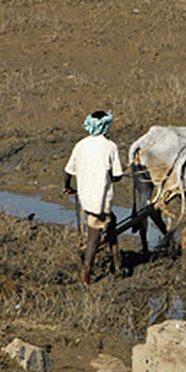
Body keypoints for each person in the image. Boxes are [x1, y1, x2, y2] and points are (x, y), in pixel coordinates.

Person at [64, 110, 124, 285]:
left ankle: (117, 266)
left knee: (112, 222)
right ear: (105, 126)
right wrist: (111, 177)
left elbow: (68, 172)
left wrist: (67, 187)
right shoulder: (110, 146)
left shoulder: (80, 145)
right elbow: (118, 175)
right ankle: (86, 277)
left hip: (86, 199)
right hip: (101, 201)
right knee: (94, 238)